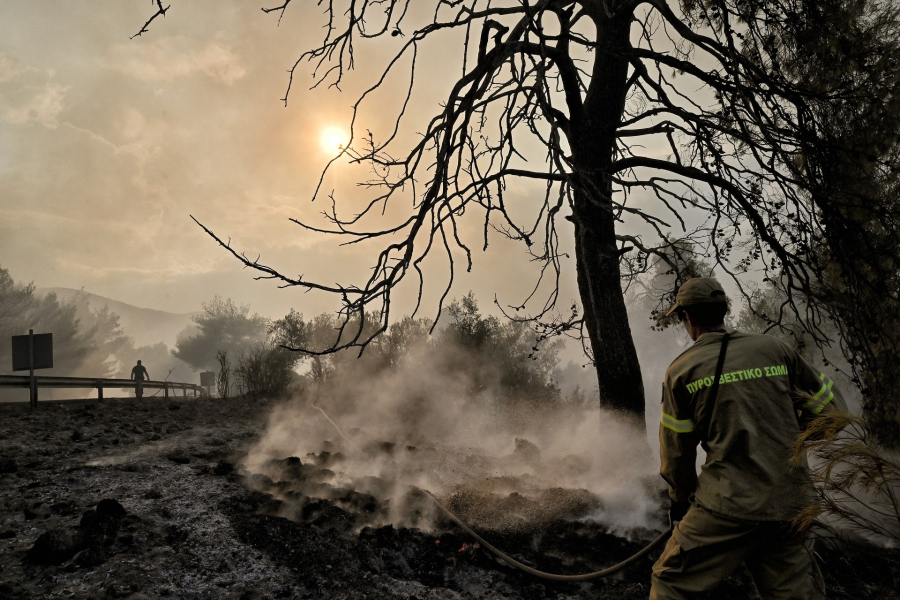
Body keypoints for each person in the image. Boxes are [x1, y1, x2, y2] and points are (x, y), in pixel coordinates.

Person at [650, 277, 847, 600]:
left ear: (687, 317)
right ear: (724, 311)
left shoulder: (682, 371)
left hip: (728, 504)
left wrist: (680, 499)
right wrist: (794, 440)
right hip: (790, 501)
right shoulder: (774, 350)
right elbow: (834, 411)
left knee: (672, 583)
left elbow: (678, 455)